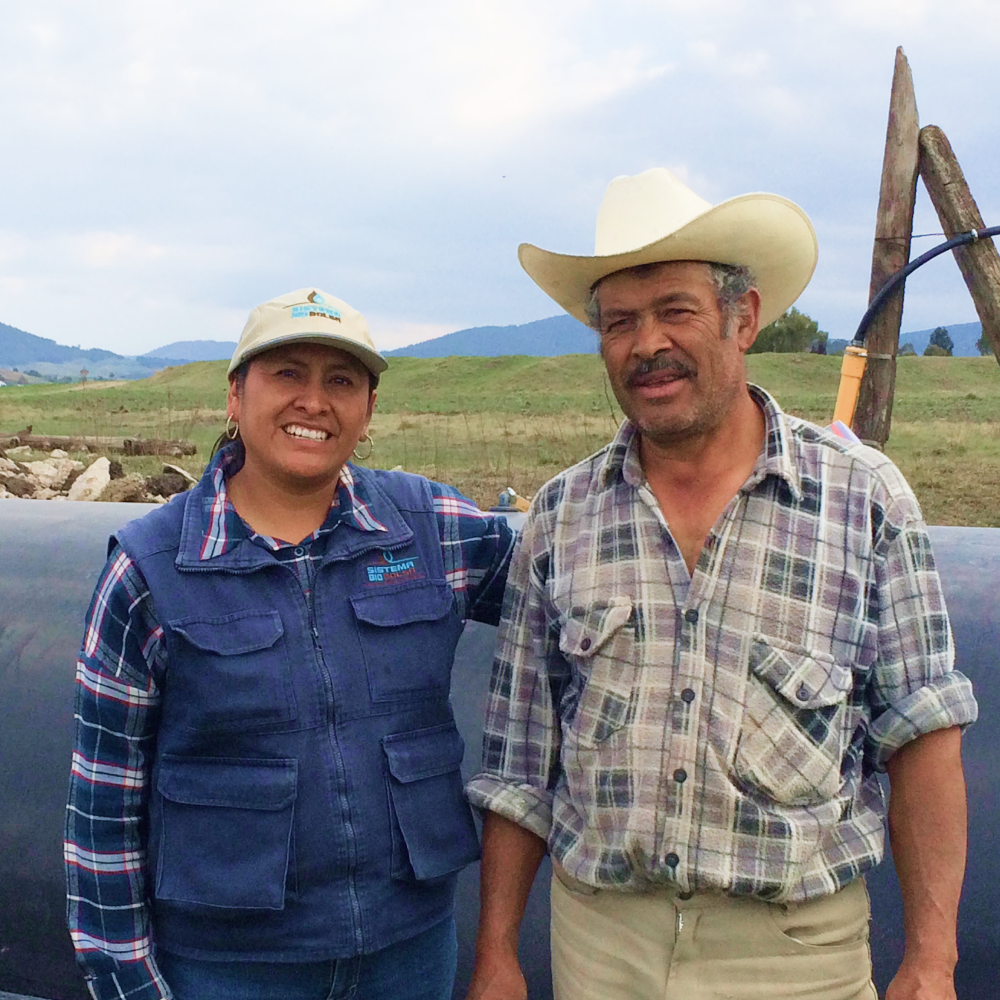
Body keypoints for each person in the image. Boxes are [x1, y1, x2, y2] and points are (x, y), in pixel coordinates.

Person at [465, 169, 978, 1000]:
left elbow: (920, 735)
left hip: (795, 953)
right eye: (620, 322)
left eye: (675, 310)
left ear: (744, 318)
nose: (645, 345)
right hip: (600, 944)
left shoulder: (864, 497)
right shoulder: (560, 516)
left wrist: (932, 957)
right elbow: (520, 762)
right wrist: (495, 954)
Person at [65, 288, 515, 1000]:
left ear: (368, 411)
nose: (314, 400)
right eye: (287, 374)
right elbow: (102, 801)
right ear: (234, 398)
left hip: (410, 955)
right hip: (227, 970)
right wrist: (128, 983)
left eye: (341, 380)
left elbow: (575, 578)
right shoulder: (149, 567)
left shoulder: (432, 529)